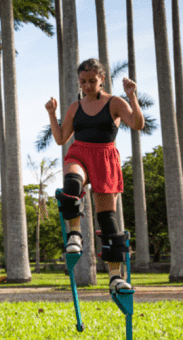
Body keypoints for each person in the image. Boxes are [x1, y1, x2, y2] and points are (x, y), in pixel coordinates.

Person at [45, 58, 144, 293]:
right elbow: (61, 139)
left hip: (105, 158)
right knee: (71, 185)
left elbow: (137, 124)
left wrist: (132, 96)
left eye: (92, 81)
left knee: (108, 219)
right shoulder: (75, 107)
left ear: (101, 79)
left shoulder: (115, 102)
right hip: (79, 152)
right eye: (83, 81)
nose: (87, 86)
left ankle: (114, 277)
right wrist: (52, 113)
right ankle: (75, 236)